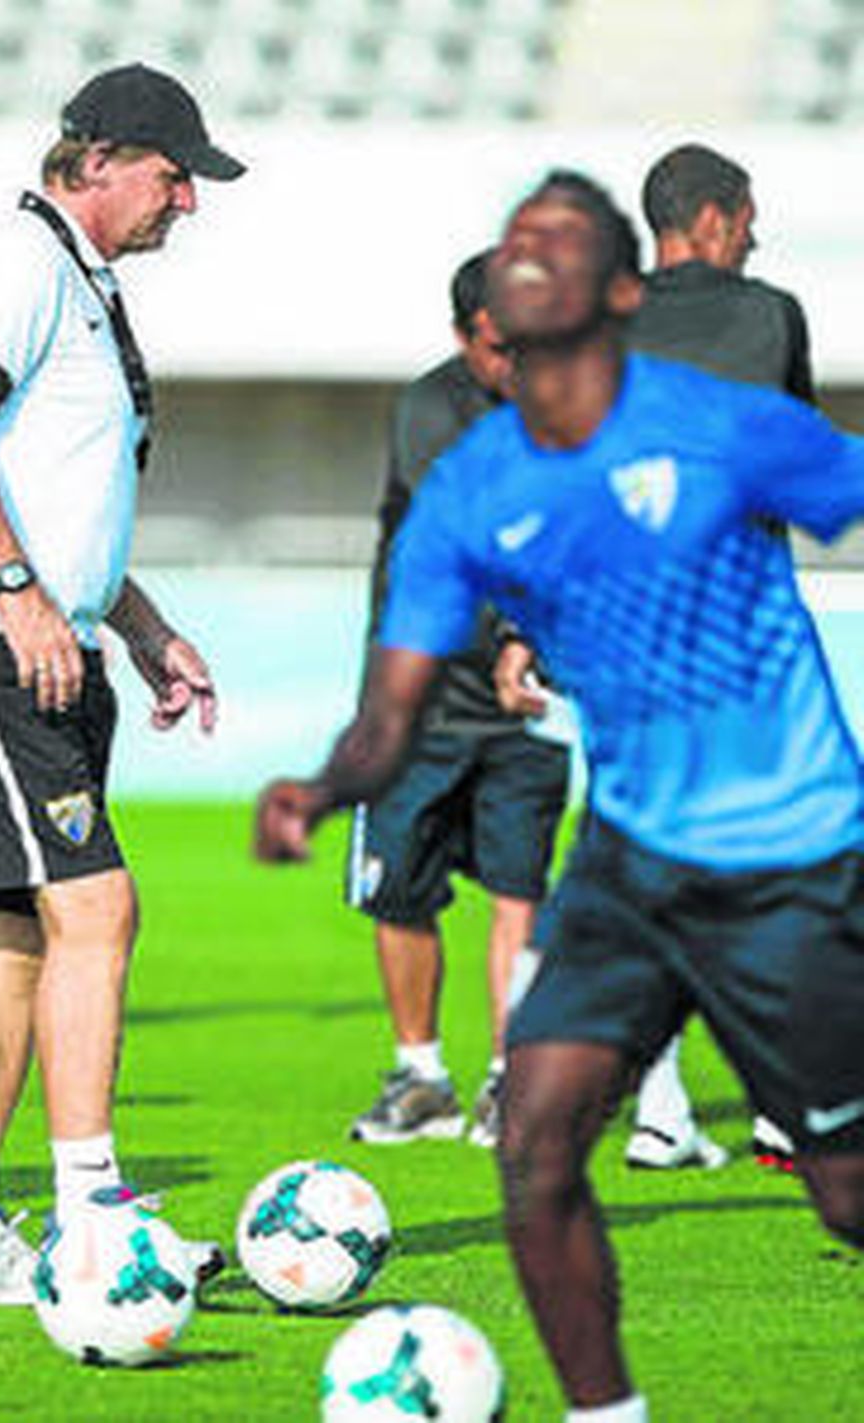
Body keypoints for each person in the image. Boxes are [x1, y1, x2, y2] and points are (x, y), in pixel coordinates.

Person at [256, 169, 864, 1423]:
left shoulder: (721, 423)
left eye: (560, 236)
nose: (526, 248)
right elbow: (391, 712)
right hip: (631, 860)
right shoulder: (471, 489)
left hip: (789, 860)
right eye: (515, 233)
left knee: (847, 1196)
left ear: (622, 289)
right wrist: (319, 790)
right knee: (533, 1146)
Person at [0, 63, 240, 1303]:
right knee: (99, 908)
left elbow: (63, 492)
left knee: (14, 934)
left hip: (37, 636)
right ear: (94, 160)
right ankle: (93, 1212)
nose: (186, 202)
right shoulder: (20, 262)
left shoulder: (79, 282)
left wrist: (137, 625)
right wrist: (18, 590)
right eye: (171, 174)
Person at [497, 141, 814, 1173]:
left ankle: (663, 1111)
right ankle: (778, 1106)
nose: (754, 236)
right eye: (748, 216)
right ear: (715, 220)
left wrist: (518, 633)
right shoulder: (768, 314)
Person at [344, 249, 569, 1151]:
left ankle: (508, 1081)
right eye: (499, 344)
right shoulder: (431, 408)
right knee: (398, 890)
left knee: (519, 889)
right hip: (417, 700)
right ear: (464, 335)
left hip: (526, 701)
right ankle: (422, 1073)